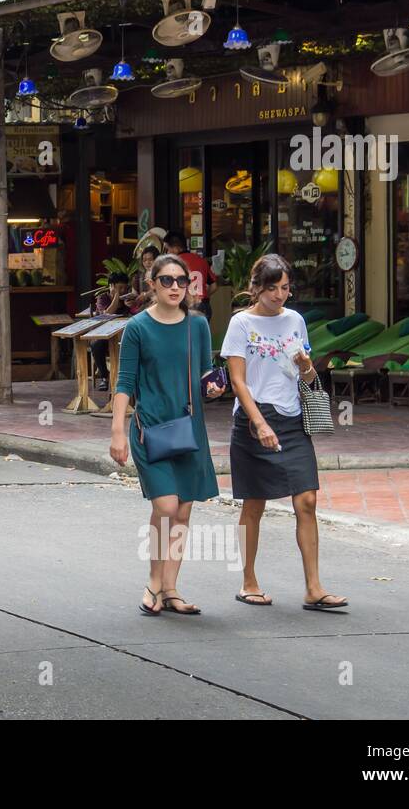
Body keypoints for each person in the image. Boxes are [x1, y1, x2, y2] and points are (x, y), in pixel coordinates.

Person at [222, 254, 347, 612]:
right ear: (257, 288)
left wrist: (307, 366)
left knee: (307, 499)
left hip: (292, 418)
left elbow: (307, 379)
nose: (280, 295)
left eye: (286, 287)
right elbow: (238, 381)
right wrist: (259, 421)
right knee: (255, 502)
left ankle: (314, 587)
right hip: (253, 420)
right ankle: (248, 581)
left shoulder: (295, 320)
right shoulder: (241, 324)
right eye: (273, 288)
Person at [109, 254, 224, 616]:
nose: (175, 287)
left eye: (181, 281)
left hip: (189, 429)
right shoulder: (138, 328)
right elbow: (125, 383)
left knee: (184, 510)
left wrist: (215, 387)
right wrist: (117, 433)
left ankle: (170, 588)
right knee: (166, 506)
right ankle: (153, 582)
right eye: (167, 280)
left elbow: (205, 374)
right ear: (152, 284)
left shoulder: (198, 325)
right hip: (151, 429)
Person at [91, 273, 132, 392]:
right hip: (105, 335)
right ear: (111, 286)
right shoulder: (102, 298)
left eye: (124, 288)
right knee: (96, 345)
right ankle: (104, 376)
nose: (122, 291)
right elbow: (106, 314)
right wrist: (116, 297)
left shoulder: (127, 299)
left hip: (123, 334)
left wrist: (132, 305)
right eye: (119, 288)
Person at [164, 231, 216, 317]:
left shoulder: (175, 262)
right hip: (204, 305)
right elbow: (214, 286)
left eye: (168, 249)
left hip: (186, 305)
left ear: (176, 248)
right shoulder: (201, 260)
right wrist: (204, 295)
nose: (167, 253)